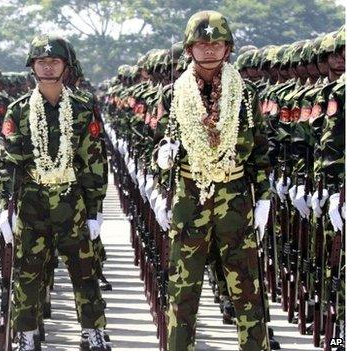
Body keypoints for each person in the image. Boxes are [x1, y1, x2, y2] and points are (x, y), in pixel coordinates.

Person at [153, 11, 271, 350]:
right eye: (202, 43)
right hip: (190, 196)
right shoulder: (173, 93)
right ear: (190, 49)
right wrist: (162, 160)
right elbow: (161, 146)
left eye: (216, 43)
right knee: (182, 289)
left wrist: (262, 197)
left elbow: (260, 150)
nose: (209, 50)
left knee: (246, 287)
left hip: (234, 196)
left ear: (228, 48)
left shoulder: (246, 95)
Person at [0, 34, 109, 351]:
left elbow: (94, 161)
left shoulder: (84, 109)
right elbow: (8, 163)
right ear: (32, 66)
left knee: (85, 270)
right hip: (32, 200)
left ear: (65, 66)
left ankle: (92, 330)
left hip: (72, 200)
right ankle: (27, 334)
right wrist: (5, 205)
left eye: (54, 61)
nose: (48, 67)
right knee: (28, 272)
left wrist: (95, 209)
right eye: (41, 62)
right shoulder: (17, 111)